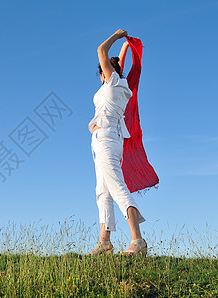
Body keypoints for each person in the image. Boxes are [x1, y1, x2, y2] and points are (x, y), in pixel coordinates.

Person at [88, 29, 148, 256]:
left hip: (105, 140)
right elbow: (118, 61)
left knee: (116, 187)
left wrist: (117, 34)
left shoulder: (112, 84)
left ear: (106, 72)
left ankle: (137, 240)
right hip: (105, 140)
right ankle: (105, 243)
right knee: (103, 192)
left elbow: (101, 50)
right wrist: (125, 45)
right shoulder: (120, 86)